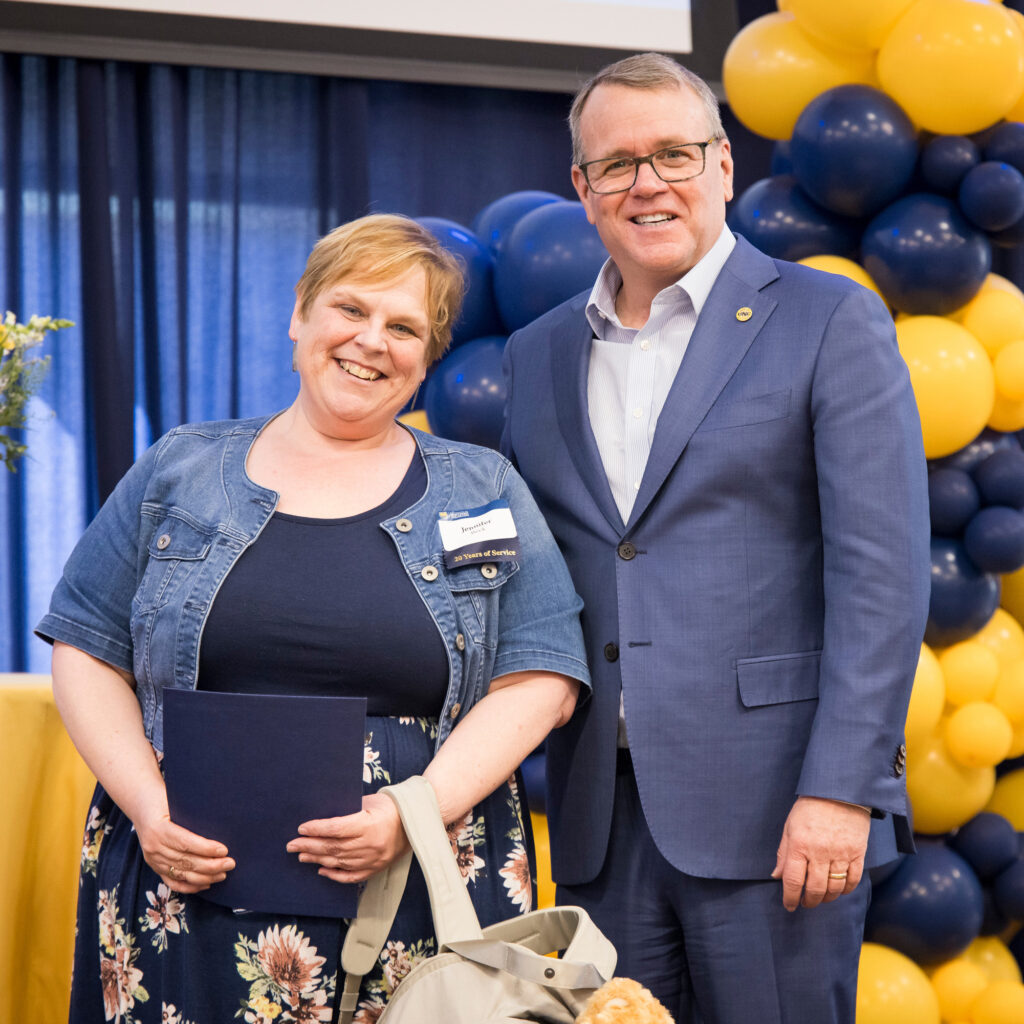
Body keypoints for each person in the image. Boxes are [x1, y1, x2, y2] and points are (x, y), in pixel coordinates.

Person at [38, 213, 590, 1024]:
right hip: (181, 887)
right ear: (300, 314)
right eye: (351, 309)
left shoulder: (484, 487)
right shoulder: (181, 466)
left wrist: (411, 812)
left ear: (428, 357)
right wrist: (151, 810)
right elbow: (87, 648)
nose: (371, 341)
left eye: (404, 328)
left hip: (420, 887)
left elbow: (542, 675)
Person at [501, 53, 930, 1023]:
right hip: (598, 821)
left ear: (723, 165)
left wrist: (843, 790)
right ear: (582, 188)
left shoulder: (828, 318)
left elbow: (882, 578)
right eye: (616, 164)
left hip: (780, 813)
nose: (646, 182)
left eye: (674, 154)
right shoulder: (537, 354)